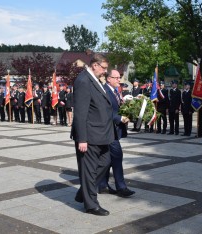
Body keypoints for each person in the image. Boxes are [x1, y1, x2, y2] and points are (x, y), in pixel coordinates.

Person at [71, 53, 115, 216]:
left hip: (101, 134)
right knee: (89, 170)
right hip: (89, 136)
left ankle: (84, 192)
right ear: (95, 65)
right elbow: (80, 113)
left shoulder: (95, 79)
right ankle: (91, 205)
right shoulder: (83, 81)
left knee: (106, 161)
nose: (105, 71)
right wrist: (82, 139)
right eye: (104, 68)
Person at [99, 69, 134, 197]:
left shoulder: (114, 91)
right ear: (109, 78)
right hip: (108, 131)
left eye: (119, 77)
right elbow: (104, 111)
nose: (119, 80)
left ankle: (102, 185)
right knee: (117, 157)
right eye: (116, 77)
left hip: (112, 130)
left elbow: (116, 108)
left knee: (107, 159)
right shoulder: (104, 90)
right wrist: (119, 118)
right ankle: (121, 187)